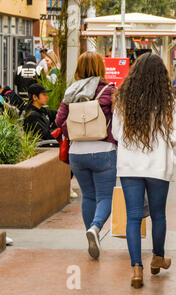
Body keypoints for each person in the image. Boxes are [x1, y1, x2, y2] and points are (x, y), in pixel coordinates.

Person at [112, 53, 176, 289]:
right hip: (157, 165)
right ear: (161, 76)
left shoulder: (124, 97)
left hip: (130, 165)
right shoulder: (167, 100)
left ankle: (136, 268)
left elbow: (116, 132)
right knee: (158, 214)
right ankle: (157, 257)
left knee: (133, 216)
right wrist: (175, 147)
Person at [55, 51, 117, 260]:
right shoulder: (109, 90)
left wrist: (75, 130)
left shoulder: (71, 91)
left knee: (88, 196)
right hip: (103, 151)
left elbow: (59, 121)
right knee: (105, 197)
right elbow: (118, 121)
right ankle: (96, 228)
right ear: (101, 68)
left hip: (77, 153)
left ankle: (91, 235)